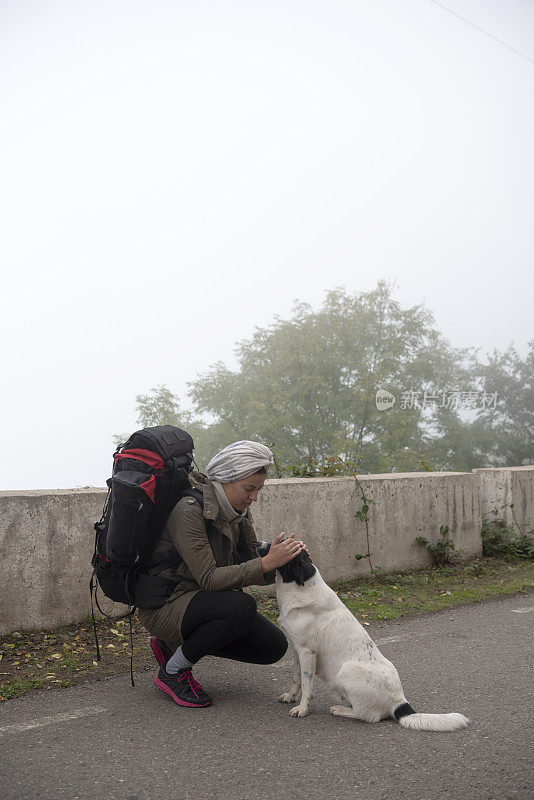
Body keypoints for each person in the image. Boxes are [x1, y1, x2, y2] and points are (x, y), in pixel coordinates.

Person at [137, 440, 310, 708]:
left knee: (272, 647)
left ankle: (170, 648)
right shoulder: (189, 511)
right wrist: (265, 564)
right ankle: (173, 671)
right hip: (165, 605)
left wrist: (280, 559)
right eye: (249, 488)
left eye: (258, 490)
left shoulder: (237, 511)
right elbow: (210, 578)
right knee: (241, 606)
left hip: (199, 601)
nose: (254, 497)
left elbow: (248, 561)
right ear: (226, 478)